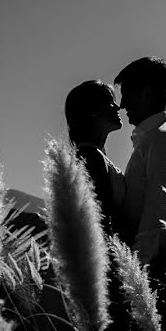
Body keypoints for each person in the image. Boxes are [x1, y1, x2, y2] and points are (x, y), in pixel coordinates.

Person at [114, 56, 166, 331]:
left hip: (155, 275)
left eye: (127, 93)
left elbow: (158, 218)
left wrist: (136, 279)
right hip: (149, 274)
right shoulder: (152, 140)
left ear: (145, 92)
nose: (122, 104)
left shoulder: (164, 139)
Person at [64, 80, 127, 237]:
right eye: (110, 102)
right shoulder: (90, 157)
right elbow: (101, 221)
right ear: (93, 110)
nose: (118, 107)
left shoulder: (91, 155)